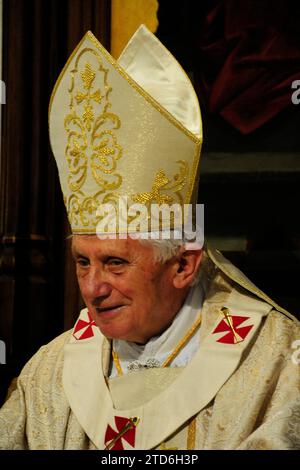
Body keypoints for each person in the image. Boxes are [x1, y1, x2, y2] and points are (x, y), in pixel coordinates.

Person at [0, 25, 299, 451]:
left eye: (115, 263)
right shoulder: (48, 373)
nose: (91, 290)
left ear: (183, 264)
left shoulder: (278, 366)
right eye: (83, 261)